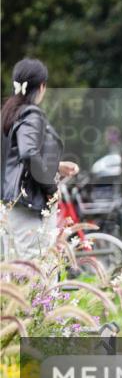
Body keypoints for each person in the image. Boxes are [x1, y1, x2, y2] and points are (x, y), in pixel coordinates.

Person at [1, 58, 79, 258]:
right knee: (37, 273)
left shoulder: (9, 114)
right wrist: (51, 189)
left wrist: (57, 166)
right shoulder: (31, 114)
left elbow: (14, 158)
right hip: (29, 206)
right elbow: (28, 153)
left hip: (11, 204)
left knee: (19, 275)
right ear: (42, 86)